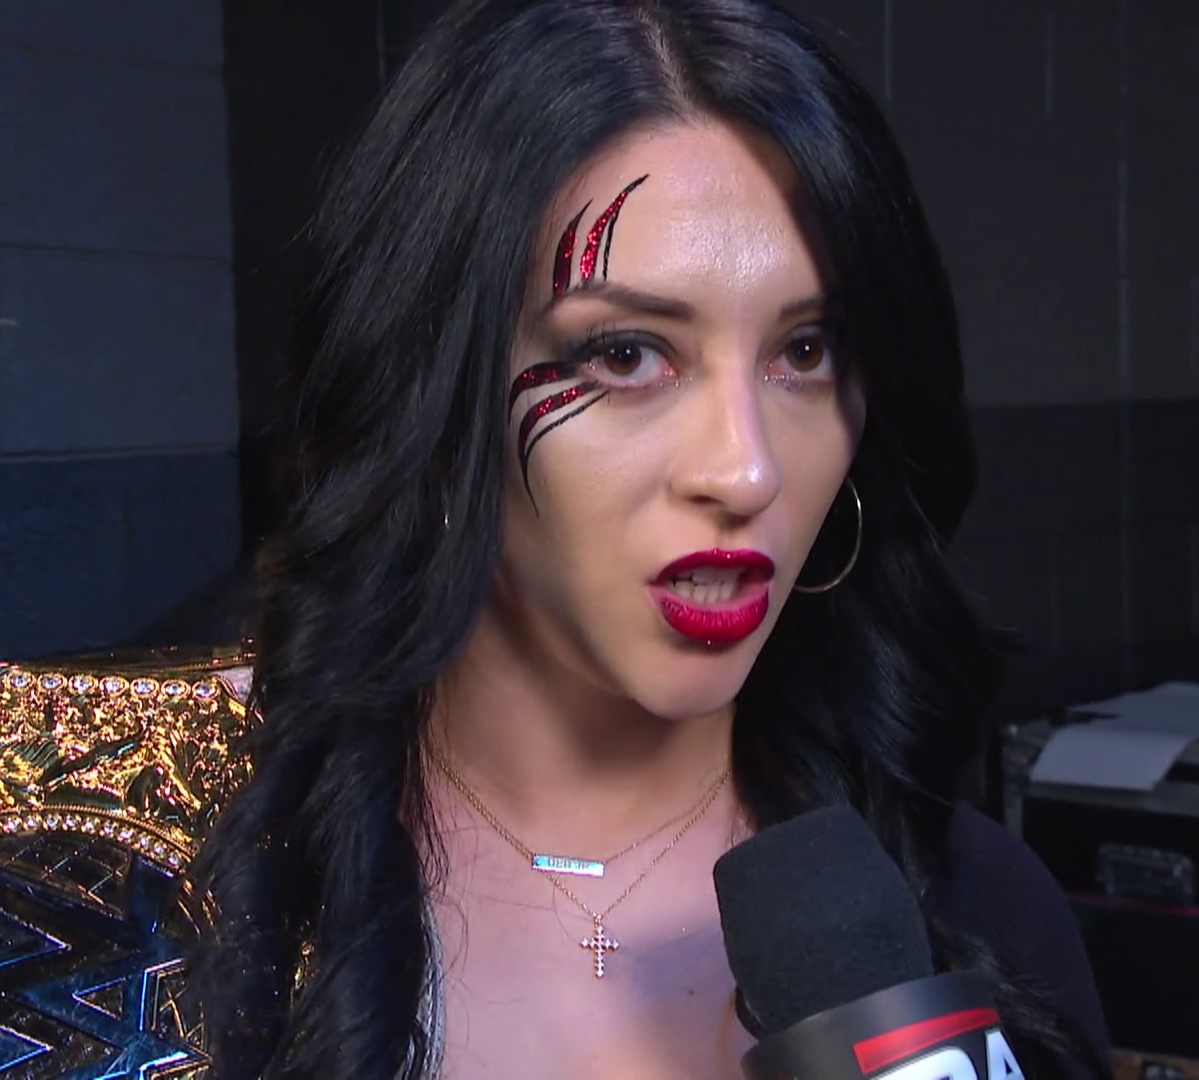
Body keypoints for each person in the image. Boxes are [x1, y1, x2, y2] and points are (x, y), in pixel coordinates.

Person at [192, 1, 1111, 1078]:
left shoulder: (976, 910)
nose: (746, 470)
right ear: (433, 396)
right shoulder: (183, 893)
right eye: (626, 354)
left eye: (806, 350)